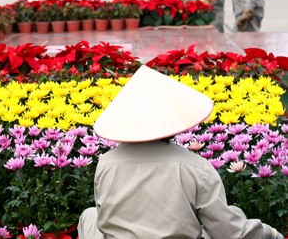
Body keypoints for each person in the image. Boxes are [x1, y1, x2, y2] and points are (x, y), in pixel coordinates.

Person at [78, 65, 284, 239]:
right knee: (215, 223)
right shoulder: (194, 167)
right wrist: (269, 233)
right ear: (172, 120)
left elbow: (106, 215)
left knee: (89, 216)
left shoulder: (106, 163)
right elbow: (228, 231)